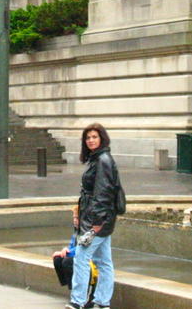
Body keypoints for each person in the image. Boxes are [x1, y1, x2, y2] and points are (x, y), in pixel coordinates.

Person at [67, 123, 118, 309]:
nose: (91, 140)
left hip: (98, 220)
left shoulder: (103, 160)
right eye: (88, 138)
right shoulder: (98, 159)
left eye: (94, 137)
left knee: (81, 257)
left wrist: (96, 225)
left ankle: (78, 301)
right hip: (99, 218)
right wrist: (79, 212)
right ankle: (102, 302)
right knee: (104, 261)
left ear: (102, 138)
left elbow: (103, 195)